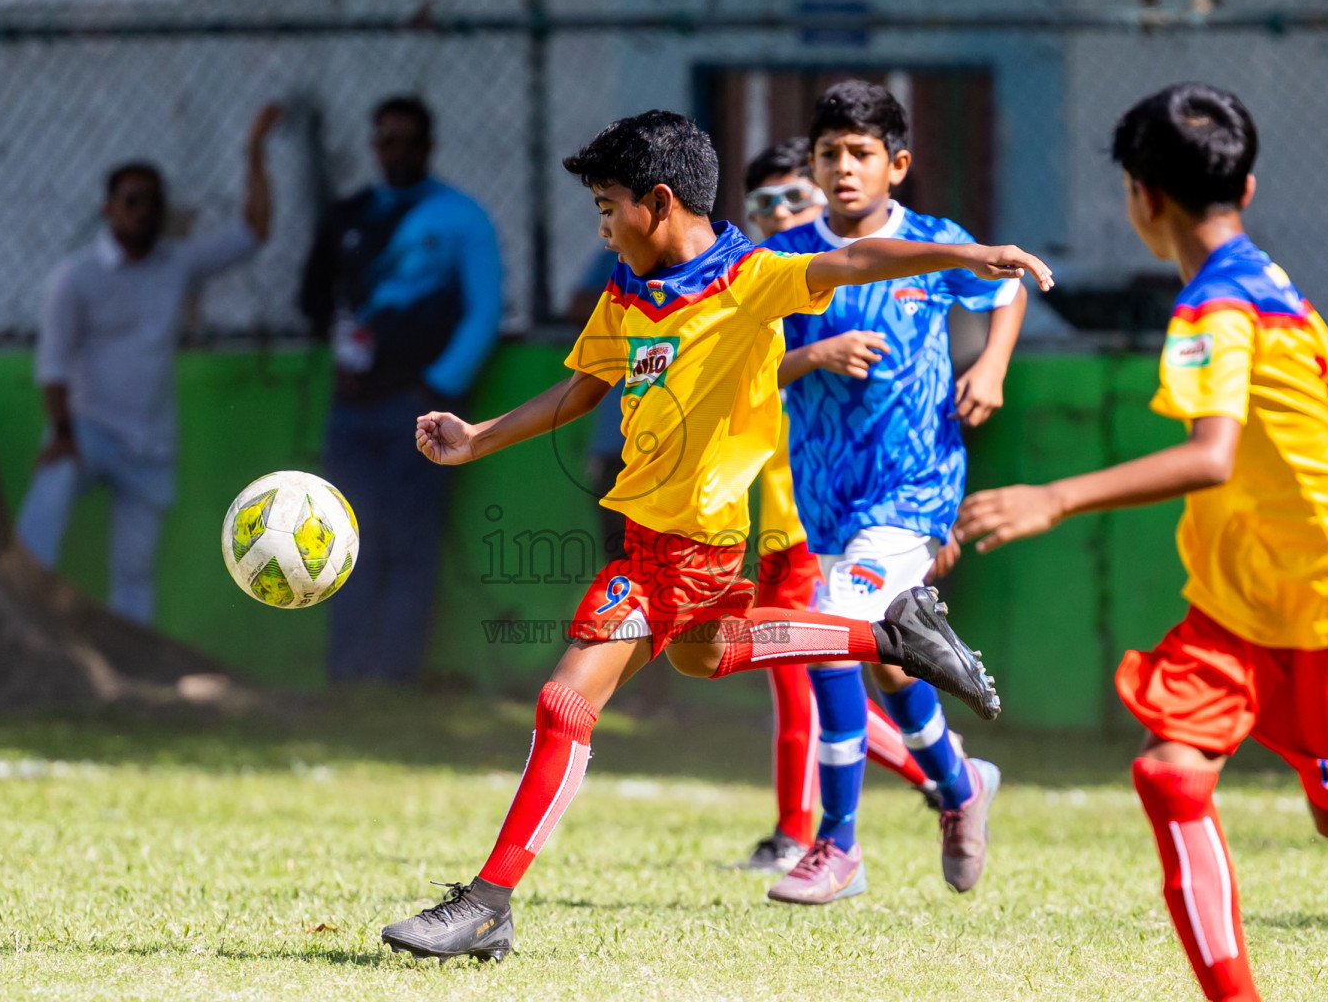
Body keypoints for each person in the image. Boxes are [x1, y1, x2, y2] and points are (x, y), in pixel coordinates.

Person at [380, 109, 1051, 961]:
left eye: (607, 204)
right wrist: (479, 437)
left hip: (690, 549)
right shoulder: (626, 290)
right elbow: (582, 392)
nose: (601, 223)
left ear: (658, 203)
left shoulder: (749, 278)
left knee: (565, 700)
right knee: (708, 654)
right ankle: (888, 633)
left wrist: (967, 254)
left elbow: (854, 259)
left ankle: (487, 901)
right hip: (652, 542)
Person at [954, 83, 1328, 1002]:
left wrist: (1055, 495)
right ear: (1247, 185)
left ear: (1141, 196)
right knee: (1170, 774)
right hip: (1246, 595)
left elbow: (1210, 456)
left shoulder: (1213, 310)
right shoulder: (1278, 289)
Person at [756, 81, 1029, 904]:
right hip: (825, 491)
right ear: (812, 161)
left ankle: (838, 845)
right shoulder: (787, 259)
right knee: (889, 665)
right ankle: (958, 783)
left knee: (834, 633)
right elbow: (749, 369)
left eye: (861, 154)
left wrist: (992, 365)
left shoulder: (937, 244)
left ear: (896, 166)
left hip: (915, 485)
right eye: (829, 153)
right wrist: (817, 353)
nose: (843, 168)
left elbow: (1005, 287)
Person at [736, 137, 941, 876]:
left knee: (808, 671)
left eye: (795, 197)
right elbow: (742, 386)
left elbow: (916, 412)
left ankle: (806, 833)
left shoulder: (865, 289)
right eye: (762, 204)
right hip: (772, 523)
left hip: (821, 525)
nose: (778, 212)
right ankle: (947, 778)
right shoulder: (752, 290)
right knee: (820, 670)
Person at [16, 104, 280, 623]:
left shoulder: (177, 262)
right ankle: (22, 611)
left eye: (155, 202)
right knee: (46, 505)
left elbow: (253, 232)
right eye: (133, 200)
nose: (145, 211)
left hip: (150, 442)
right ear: (108, 208)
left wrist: (252, 153)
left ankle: (131, 664)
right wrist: (63, 435)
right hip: (86, 431)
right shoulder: (75, 278)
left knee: (136, 569)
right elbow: (52, 363)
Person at [298, 95, 503, 684]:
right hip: (351, 409)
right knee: (340, 543)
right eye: (387, 139)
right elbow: (316, 302)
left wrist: (435, 388)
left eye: (410, 139)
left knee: (410, 543)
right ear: (374, 145)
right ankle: (347, 674)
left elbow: (484, 311)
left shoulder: (460, 216)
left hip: (419, 410)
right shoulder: (348, 216)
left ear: (429, 146)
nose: (398, 150)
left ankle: (395, 676)